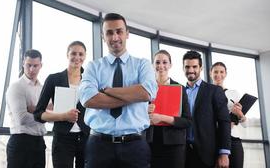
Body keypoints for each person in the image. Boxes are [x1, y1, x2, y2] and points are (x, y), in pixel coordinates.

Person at [79, 13, 158, 168]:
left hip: (135, 146)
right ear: (103, 36)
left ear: (127, 34)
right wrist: (132, 96)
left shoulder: (143, 65)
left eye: (119, 31)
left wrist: (108, 91)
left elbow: (146, 93)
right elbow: (89, 100)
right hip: (99, 146)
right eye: (109, 33)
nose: (114, 37)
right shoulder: (93, 67)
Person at [34, 41, 90, 168]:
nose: (77, 57)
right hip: (62, 139)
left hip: (86, 138)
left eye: (81, 54)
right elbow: (38, 114)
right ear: (67, 55)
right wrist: (63, 117)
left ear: (85, 56)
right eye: (73, 53)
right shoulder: (54, 79)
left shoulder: (90, 80)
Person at [182, 50, 231, 168]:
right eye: (187, 66)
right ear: (183, 68)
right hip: (183, 152)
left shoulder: (214, 90)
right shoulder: (180, 91)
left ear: (201, 68)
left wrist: (224, 153)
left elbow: (224, 121)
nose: (191, 70)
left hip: (206, 152)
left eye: (194, 66)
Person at [146, 50, 192, 168]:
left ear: (170, 65)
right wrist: (145, 111)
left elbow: (187, 121)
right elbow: (135, 116)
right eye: (157, 62)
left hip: (174, 146)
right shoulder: (146, 88)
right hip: (150, 143)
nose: (161, 66)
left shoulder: (180, 89)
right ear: (153, 65)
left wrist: (162, 118)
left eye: (165, 62)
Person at [6, 49, 46, 168]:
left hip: (39, 143)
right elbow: (22, 119)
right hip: (20, 143)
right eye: (29, 65)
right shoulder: (16, 87)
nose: (32, 69)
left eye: (35, 66)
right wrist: (43, 114)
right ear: (23, 63)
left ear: (41, 66)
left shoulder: (42, 88)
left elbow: (53, 111)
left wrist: (34, 110)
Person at [210, 62, 247, 168]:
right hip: (215, 139)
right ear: (210, 73)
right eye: (215, 72)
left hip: (234, 140)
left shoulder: (234, 93)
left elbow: (245, 124)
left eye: (222, 72)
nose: (218, 75)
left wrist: (240, 114)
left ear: (225, 74)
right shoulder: (207, 94)